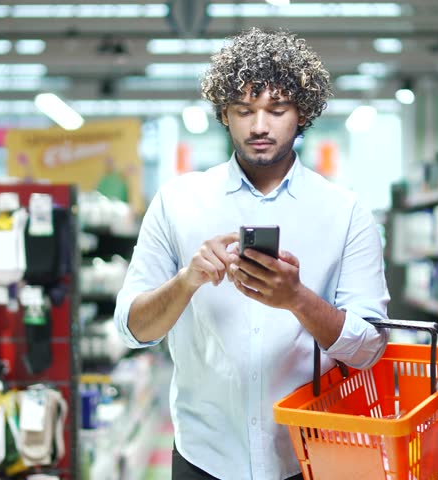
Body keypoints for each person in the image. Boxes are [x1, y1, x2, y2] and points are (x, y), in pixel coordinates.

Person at [115, 28, 390, 480]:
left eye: (276, 110)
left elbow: (369, 348)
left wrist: (297, 298)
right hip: (204, 456)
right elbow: (131, 329)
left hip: (311, 455)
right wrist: (187, 281)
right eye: (244, 110)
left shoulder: (344, 212)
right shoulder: (178, 202)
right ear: (224, 113)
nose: (259, 126)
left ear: (302, 114)